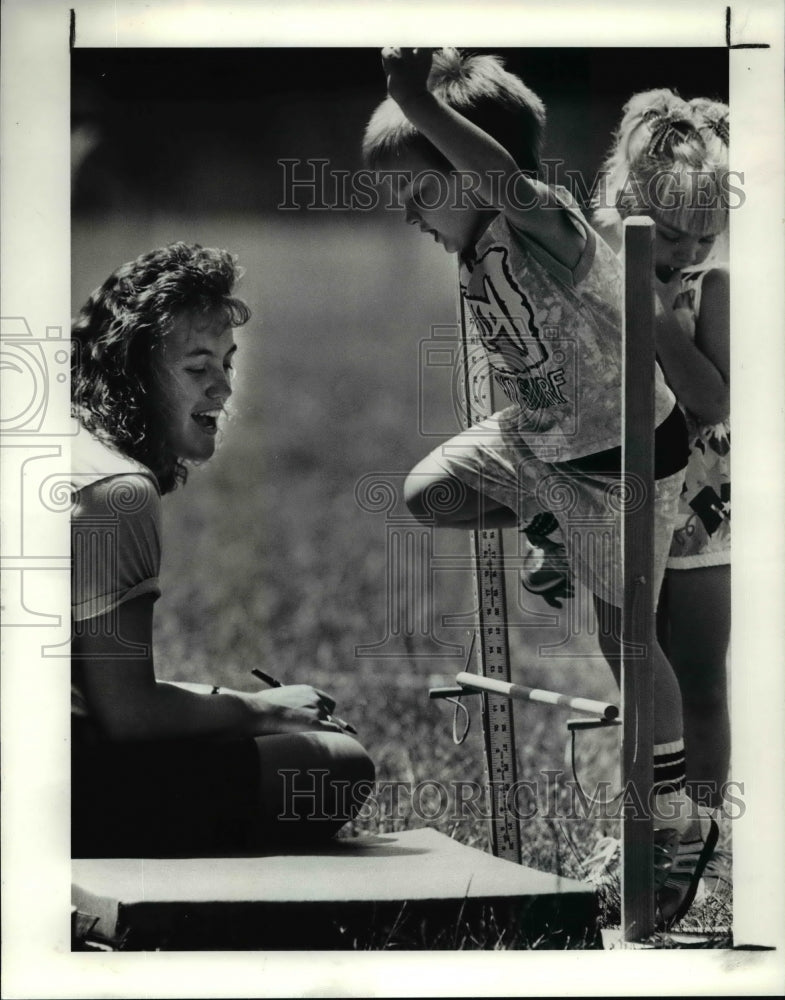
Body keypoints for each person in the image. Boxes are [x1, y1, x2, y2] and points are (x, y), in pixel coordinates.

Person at [363, 47, 715, 928]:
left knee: (627, 640)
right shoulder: (475, 244)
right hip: (537, 446)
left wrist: (413, 94)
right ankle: (547, 525)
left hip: (624, 457)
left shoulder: (537, 220)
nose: (409, 216)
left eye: (417, 194)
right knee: (427, 491)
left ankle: (668, 821)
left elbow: (496, 173)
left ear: (471, 161)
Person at [70, 242, 374, 858]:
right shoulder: (118, 492)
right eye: (196, 367)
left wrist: (225, 707)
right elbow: (129, 713)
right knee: (336, 766)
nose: (223, 388)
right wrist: (262, 710)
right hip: (54, 793)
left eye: (228, 363)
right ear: (133, 372)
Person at [593, 90, 730, 815]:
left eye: (704, 236)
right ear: (625, 206)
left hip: (702, 506)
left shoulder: (710, 290)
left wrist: (655, 315)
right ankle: (653, 827)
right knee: (640, 665)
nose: (687, 253)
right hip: (624, 492)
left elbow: (710, 401)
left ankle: (708, 842)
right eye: (673, 235)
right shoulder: (594, 285)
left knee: (702, 675)